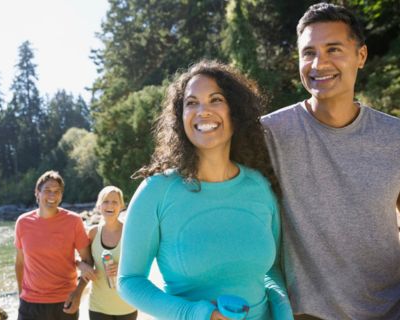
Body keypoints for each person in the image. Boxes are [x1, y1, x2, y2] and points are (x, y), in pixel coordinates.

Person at [260, 3, 400, 319]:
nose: (318, 62)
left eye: (333, 49)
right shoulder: (266, 136)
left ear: (361, 56)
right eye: (308, 52)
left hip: (396, 313)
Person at [117, 60, 293, 320]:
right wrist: (195, 313)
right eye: (191, 102)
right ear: (180, 117)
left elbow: (271, 270)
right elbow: (129, 281)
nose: (203, 111)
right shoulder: (156, 191)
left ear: (236, 111)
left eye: (215, 99)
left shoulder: (260, 186)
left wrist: (281, 306)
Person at [14, 170, 93, 320]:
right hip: (30, 304)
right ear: (37, 193)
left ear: (61, 195)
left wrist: (78, 294)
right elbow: (19, 262)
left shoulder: (74, 221)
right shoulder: (22, 223)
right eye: (47, 190)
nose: (52, 195)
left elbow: (88, 261)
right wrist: (20, 295)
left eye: (57, 191)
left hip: (65, 302)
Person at [76, 186, 138, 320]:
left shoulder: (130, 232)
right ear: (99, 205)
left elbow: (141, 265)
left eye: (115, 202)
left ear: (121, 206)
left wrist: (122, 268)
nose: (110, 205)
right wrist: (81, 265)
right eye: (105, 201)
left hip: (127, 304)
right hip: (98, 306)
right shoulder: (92, 233)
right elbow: (83, 260)